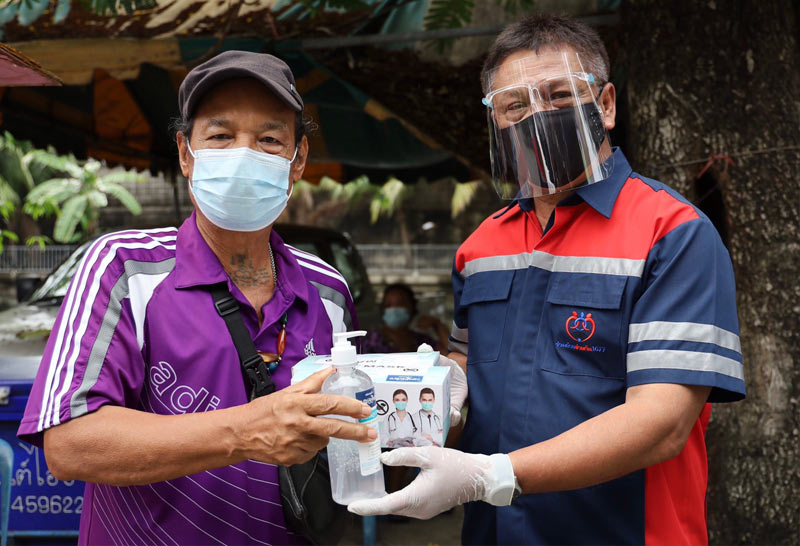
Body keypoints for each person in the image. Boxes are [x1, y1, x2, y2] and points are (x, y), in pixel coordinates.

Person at [349, 14, 745, 545]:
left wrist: (493, 475)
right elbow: (472, 381)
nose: (537, 116)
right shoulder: (480, 248)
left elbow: (663, 422)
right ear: (496, 120)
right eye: (515, 105)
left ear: (605, 105)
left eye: (559, 95)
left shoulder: (672, 233)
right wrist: (439, 394)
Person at [17, 51, 379, 545]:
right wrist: (246, 430)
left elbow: (352, 438)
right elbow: (68, 444)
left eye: (270, 140)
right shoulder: (123, 269)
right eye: (221, 136)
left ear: (298, 161)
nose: (244, 155)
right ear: (186, 154)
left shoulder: (327, 291)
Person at [362, 282, 449, 353]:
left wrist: (437, 325)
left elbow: (449, 356)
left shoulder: (423, 341)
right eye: (388, 305)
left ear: (412, 308)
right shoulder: (371, 340)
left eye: (400, 303)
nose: (394, 309)